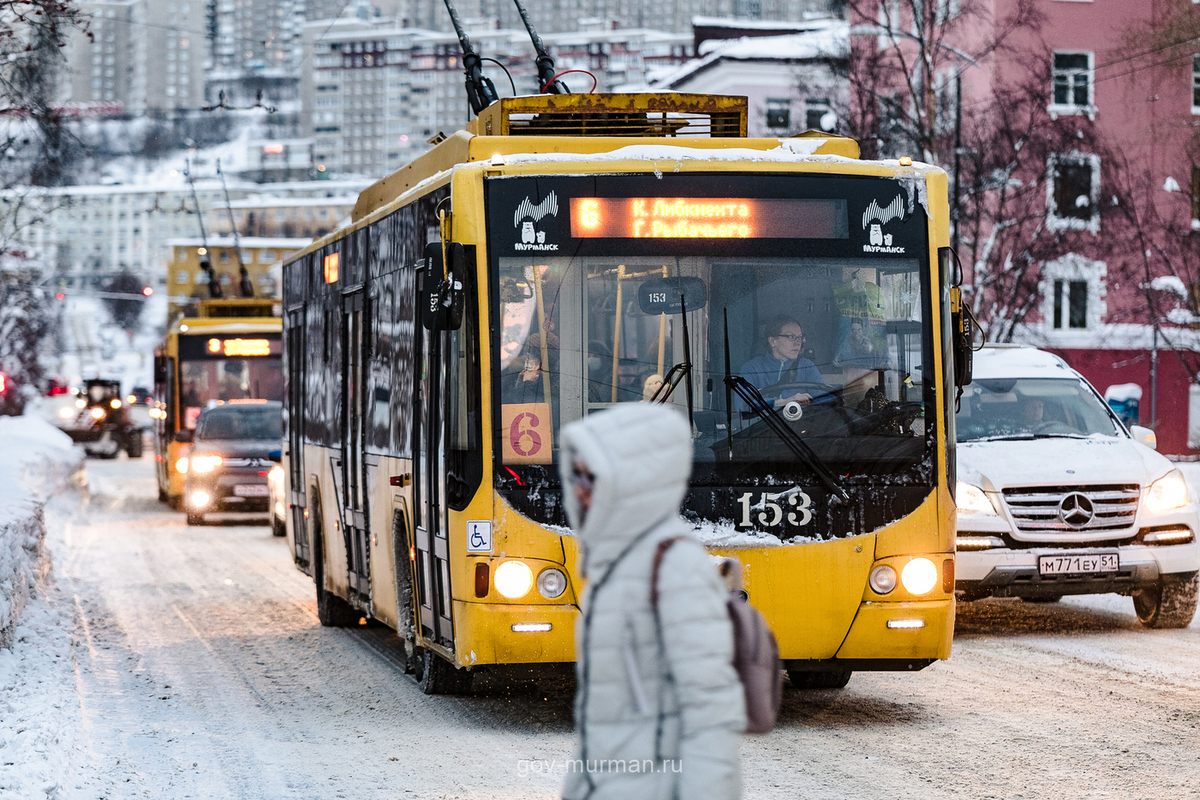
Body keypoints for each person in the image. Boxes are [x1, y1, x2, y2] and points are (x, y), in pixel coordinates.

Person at [560, 404, 745, 800]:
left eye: (592, 476)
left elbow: (710, 712)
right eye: (576, 474)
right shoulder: (611, 567)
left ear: (634, 480)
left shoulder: (676, 568)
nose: (578, 489)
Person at [737, 316, 826, 409]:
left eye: (800, 337)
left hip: (800, 422)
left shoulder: (806, 366)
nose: (798, 343)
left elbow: (824, 399)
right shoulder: (752, 368)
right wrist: (783, 402)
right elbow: (742, 404)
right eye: (791, 337)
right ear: (772, 341)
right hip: (763, 423)